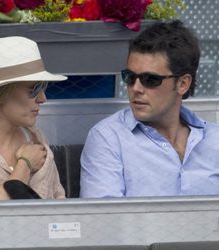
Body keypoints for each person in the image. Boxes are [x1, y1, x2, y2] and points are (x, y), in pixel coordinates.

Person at [80, 20, 219, 198]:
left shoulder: (214, 140)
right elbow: (105, 219)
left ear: (183, 84)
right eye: (130, 77)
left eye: (150, 80)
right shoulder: (109, 138)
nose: (136, 88)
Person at [0, 36, 67, 200]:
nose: (43, 98)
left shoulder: (36, 137)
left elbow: (59, 202)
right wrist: (25, 165)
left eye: (43, 87)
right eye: (35, 88)